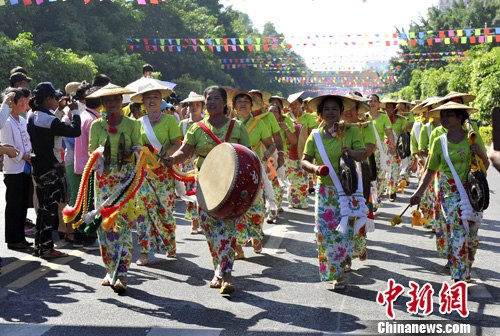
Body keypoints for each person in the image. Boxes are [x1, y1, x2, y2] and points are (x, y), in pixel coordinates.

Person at [164, 86, 250, 295]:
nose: (212, 103)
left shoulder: (237, 127)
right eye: (208, 99)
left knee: (227, 230)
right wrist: (172, 159)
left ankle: (227, 274)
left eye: (216, 99)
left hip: (230, 186)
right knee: (210, 229)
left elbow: (249, 158)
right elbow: (185, 151)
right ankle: (218, 270)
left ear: (224, 103)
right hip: (204, 184)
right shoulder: (196, 129)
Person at [410, 102, 489, 282]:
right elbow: (430, 171)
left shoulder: (472, 139)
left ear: (460, 117)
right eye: (442, 115)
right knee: (458, 229)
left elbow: (486, 167)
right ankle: (459, 275)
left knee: (472, 233)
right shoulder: (439, 141)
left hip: (472, 191)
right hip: (449, 191)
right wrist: (419, 192)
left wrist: (481, 154)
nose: (444, 118)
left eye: (449, 115)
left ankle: (465, 265)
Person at [301, 95, 366, 290]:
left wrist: (351, 152)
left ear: (340, 113)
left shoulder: (351, 131)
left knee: (345, 232)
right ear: (320, 114)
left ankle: (340, 271)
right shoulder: (315, 136)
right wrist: (315, 169)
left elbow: (363, 154)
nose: (331, 112)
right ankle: (335, 269)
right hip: (324, 191)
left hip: (348, 190)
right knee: (325, 233)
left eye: (334, 109)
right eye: (326, 109)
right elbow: (304, 160)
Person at [86, 83, 141, 293]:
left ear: (121, 101)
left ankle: (123, 273)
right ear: (102, 103)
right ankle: (110, 269)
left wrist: (132, 153)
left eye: (115, 100)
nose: (111, 103)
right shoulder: (96, 126)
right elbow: (91, 151)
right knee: (105, 227)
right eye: (107, 100)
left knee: (124, 226)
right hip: (103, 181)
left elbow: (139, 150)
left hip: (125, 180)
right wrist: (100, 153)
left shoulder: (132, 125)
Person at [27, 82, 81, 259]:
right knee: (49, 210)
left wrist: (59, 110)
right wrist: (75, 112)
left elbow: (51, 125)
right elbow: (74, 131)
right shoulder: (48, 120)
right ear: (48, 99)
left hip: (38, 168)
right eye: (55, 98)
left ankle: (40, 246)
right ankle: (47, 248)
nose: (57, 100)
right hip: (51, 168)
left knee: (42, 210)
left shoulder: (32, 115)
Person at [131, 80, 181, 266]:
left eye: (156, 97)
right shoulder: (137, 123)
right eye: (148, 98)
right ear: (142, 102)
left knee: (164, 210)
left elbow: (177, 143)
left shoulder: (169, 120)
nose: (152, 101)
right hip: (143, 174)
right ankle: (144, 252)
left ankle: (170, 244)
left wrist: (166, 156)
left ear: (161, 101)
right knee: (142, 213)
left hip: (164, 173)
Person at [232, 90, 274, 259]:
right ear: (234, 107)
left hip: (255, 169)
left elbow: (270, 145)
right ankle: (239, 247)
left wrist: (265, 156)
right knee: (236, 207)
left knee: (256, 205)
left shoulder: (259, 124)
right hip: (235, 170)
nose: (242, 104)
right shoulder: (230, 124)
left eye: (246, 101)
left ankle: (256, 236)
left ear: (251, 106)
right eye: (239, 101)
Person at [0, 89, 33, 250]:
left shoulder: (21, 120)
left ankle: (20, 236)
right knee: (13, 206)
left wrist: (29, 155)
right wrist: (23, 156)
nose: (24, 102)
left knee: (22, 205)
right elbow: (7, 147)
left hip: (25, 166)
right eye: (22, 100)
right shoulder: (5, 122)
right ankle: (13, 239)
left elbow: (26, 141)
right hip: (14, 169)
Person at [72, 84, 101, 249]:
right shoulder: (93, 121)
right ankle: (87, 237)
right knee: (90, 203)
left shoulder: (83, 116)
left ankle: (79, 236)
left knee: (83, 203)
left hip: (81, 166)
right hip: (91, 167)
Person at [179, 91, 205, 234]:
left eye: (197, 104)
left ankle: (199, 220)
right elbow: (178, 144)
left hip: (202, 162)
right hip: (187, 164)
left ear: (202, 107)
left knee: (201, 191)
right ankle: (194, 220)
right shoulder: (183, 125)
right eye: (191, 105)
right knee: (189, 192)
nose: (194, 107)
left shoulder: (206, 123)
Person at [267, 96, 296, 218]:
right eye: (270, 111)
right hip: (267, 157)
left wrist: (286, 129)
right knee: (268, 184)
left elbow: (294, 141)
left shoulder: (286, 121)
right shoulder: (262, 123)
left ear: (280, 114)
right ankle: (271, 211)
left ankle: (275, 207)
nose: (272, 113)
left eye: (275, 111)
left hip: (281, 156)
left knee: (278, 184)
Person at [367, 94, 395, 209]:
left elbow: (389, 132)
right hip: (366, 149)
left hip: (380, 149)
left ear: (378, 104)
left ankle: (376, 198)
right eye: (370, 101)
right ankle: (368, 200)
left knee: (379, 175)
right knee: (367, 175)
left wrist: (392, 145)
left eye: (375, 101)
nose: (372, 103)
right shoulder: (363, 116)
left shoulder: (383, 117)